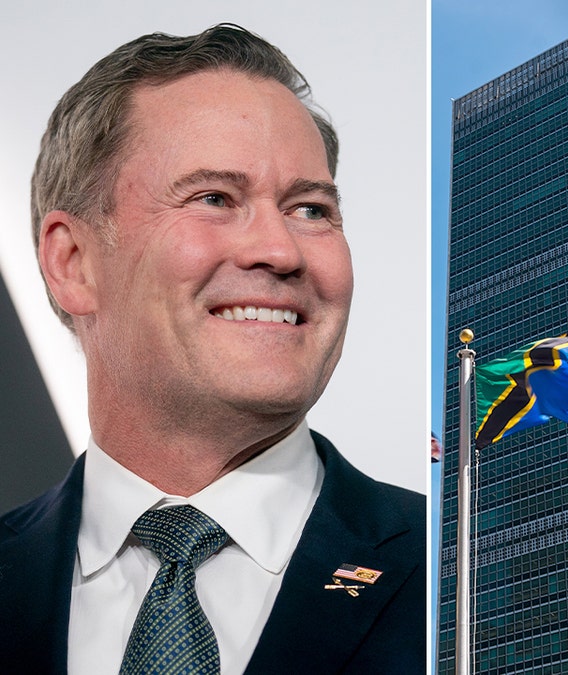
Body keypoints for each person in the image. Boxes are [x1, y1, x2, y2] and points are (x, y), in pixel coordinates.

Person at [0, 24, 425, 674]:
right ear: (74, 261)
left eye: (311, 209)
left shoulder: (452, 565)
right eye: (215, 198)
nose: (281, 250)